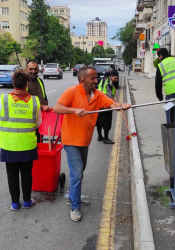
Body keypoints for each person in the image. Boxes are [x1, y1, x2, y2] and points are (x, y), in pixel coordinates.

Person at [53, 66, 131, 222]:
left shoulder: (97, 94)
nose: (97, 81)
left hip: (85, 140)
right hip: (71, 140)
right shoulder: (72, 91)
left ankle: (73, 198)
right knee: (77, 174)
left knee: (80, 173)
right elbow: (57, 108)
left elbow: (111, 104)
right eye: (93, 78)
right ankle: (75, 206)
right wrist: (74, 110)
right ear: (83, 80)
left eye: (96, 77)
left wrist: (120, 106)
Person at [0, 70, 41, 211]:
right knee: (26, 174)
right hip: (27, 144)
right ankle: (26, 202)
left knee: (11, 174)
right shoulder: (34, 101)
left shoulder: (4, 99)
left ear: (13, 82)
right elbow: (38, 123)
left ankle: (14, 203)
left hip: (9, 145)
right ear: (27, 83)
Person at [25, 60, 51, 141]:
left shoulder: (40, 81)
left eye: (35, 69)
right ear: (26, 69)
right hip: (30, 120)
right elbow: (24, 101)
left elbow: (44, 97)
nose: (33, 71)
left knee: (40, 141)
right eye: (31, 69)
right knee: (32, 143)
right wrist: (42, 106)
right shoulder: (24, 82)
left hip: (41, 118)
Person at [95, 70, 119, 144]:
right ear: (112, 76)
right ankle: (106, 138)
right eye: (116, 78)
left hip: (99, 104)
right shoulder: (109, 83)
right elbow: (110, 97)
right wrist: (117, 104)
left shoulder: (103, 80)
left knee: (99, 122)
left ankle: (100, 136)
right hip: (106, 105)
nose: (116, 79)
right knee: (107, 122)